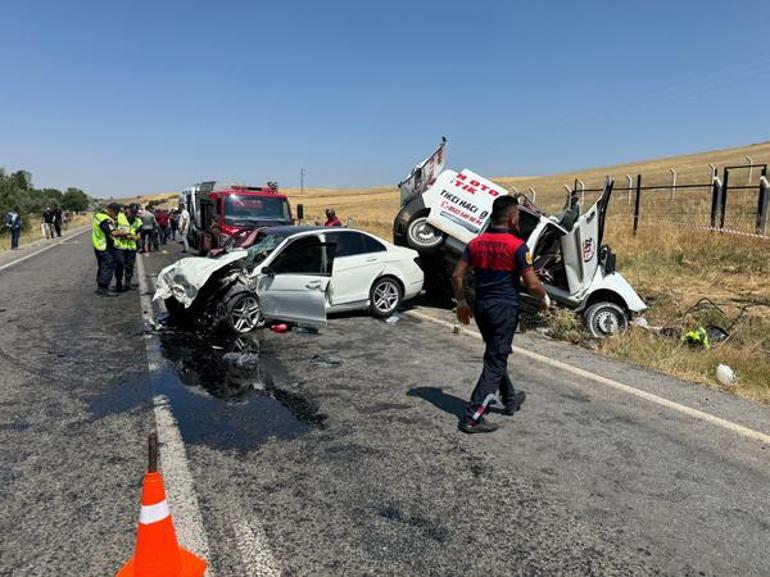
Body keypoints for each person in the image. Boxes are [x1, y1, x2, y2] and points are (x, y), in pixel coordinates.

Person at [452, 195, 547, 434]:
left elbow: (457, 276)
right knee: (496, 359)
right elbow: (532, 284)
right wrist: (543, 299)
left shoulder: (475, 243)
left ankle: (510, 398)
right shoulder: (517, 246)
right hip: (503, 308)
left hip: (481, 307)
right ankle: (473, 416)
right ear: (513, 217)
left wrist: (462, 302)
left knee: (496, 350)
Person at [92, 203, 126, 297]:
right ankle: (103, 289)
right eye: (116, 212)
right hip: (104, 246)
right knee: (108, 265)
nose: (117, 214)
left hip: (99, 245)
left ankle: (100, 287)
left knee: (102, 266)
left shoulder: (99, 215)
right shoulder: (105, 219)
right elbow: (112, 232)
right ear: (111, 210)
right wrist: (123, 233)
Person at [113, 204, 142, 291]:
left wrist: (136, 237)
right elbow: (112, 230)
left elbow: (139, 233)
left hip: (131, 247)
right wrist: (122, 234)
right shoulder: (119, 217)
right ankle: (118, 283)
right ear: (127, 210)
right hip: (119, 246)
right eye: (131, 212)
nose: (132, 214)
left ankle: (128, 283)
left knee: (130, 266)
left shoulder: (138, 221)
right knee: (120, 265)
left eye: (135, 213)